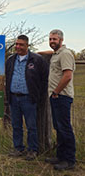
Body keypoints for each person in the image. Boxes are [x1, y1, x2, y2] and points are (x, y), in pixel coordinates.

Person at [5, 35, 49, 160]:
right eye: (17, 44)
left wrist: (39, 96)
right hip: (14, 97)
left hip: (28, 98)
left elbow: (44, 79)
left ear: (27, 46)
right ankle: (18, 148)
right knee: (16, 125)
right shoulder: (11, 59)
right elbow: (7, 76)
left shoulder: (36, 60)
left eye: (21, 44)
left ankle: (32, 150)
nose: (18, 47)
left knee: (31, 126)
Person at [45, 29, 76, 170]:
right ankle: (60, 156)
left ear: (61, 40)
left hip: (61, 96)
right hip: (56, 96)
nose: (52, 41)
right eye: (50, 39)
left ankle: (69, 160)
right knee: (58, 127)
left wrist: (56, 92)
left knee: (64, 128)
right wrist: (36, 53)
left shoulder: (65, 54)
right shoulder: (57, 54)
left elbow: (67, 75)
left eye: (54, 39)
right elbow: (50, 53)